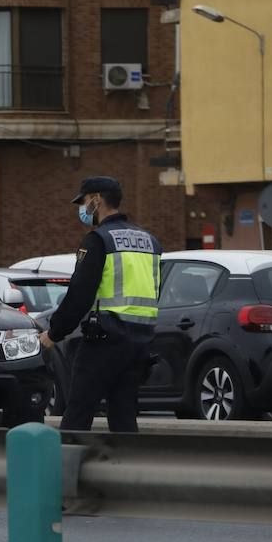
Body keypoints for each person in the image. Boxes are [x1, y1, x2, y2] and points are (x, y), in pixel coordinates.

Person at [40, 176, 161, 433]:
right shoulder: (150, 242)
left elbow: (80, 295)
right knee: (124, 416)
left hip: (105, 340)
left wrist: (53, 333)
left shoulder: (98, 240)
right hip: (140, 343)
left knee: (78, 412)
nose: (81, 209)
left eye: (83, 202)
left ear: (96, 200)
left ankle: (64, 467)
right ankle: (125, 469)